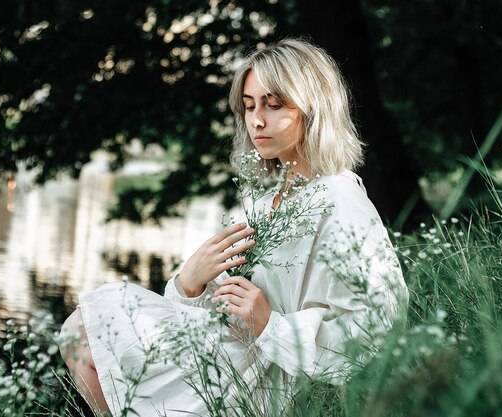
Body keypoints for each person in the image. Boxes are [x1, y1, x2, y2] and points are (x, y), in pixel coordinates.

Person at [59, 38, 408, 416]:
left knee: (88, 333)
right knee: (81, 333)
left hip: (268, 378)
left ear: (313, 109)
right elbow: (226, 306)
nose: (257, 120)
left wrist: (270, 325)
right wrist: (188, 284)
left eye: (274, 105)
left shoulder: (339, 199)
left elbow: (381, 322)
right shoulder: (266, 200)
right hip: (230, 351)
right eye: (249, 106)